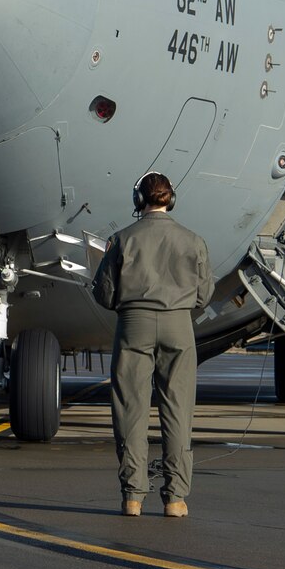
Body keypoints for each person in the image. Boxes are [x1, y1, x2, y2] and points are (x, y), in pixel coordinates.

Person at [92, 171, 213, 519]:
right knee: (177, 412)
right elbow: (204, 294)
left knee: (130, 411)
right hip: (179, 326)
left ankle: (133, 495)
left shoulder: (121, 239)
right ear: (170, 199)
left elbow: (105, 292)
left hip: (134, 325)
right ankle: (175, 497)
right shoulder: (194, 241)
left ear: (139, 200)